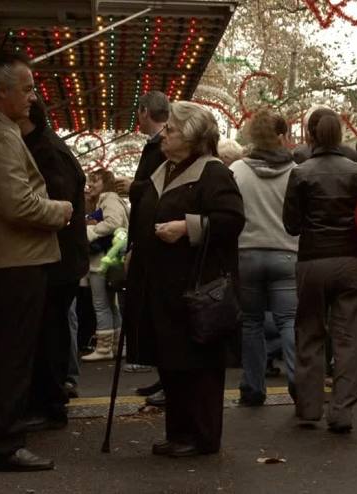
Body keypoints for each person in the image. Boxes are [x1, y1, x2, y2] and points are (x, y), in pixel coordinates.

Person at [0, 54, 73, 471]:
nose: (33, 97)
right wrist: (60, 210)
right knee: (12, 356)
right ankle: (3, 444)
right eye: (26, 89)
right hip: (15, 259)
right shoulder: (0, 136)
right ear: (2, 91)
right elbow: (18, 203)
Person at [123, 101, 245, 457]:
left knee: (199, 366)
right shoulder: (164, 169)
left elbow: (231, 220)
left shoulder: (213, 172)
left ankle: (202, 437)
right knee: (172, 361)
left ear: (192, 136)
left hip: (195, 286)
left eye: (172, 130)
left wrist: (186, 227)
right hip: (162, 285)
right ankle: (179, 433)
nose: (164, 134)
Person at [283, 108, 357, 433]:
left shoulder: (301, 173)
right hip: (353, 260)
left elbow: (292, 225)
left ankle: (309, 407)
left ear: (310, 134)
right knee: (349, 336)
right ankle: (342, 410)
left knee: (309, 331)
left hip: (313, 260)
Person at [18, 100, 89, 430]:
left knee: (49, 331)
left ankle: (50, 405)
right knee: (51, 329)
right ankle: (49, 400)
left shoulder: (46, 151)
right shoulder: (45, 146)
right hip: (60, 257)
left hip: (57, 258)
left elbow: (59, 204)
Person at [229, 110, 298, 406]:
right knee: (289, 321)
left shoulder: (237, 171)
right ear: (282, 135)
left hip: (247, 253)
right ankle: (299, 383)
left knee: (251, 323)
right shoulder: (295, 171)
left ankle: (253, 388)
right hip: (286, 252)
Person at [126, 90, 170, 403]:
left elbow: (159, 188)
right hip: (150, 238)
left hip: (157, 240)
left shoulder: (162, 147)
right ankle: (164, 375)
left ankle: (169, 380)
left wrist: (134, 187)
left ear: (144, 111)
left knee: (161, 314)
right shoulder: (156, 146)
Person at [81, 169, 129, 361]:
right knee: (111, 304)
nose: (90, 185)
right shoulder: (112, 200)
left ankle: (103, 348)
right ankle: (118, 346)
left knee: (101, 304)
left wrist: (89, 231)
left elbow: (113, 222)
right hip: (111, 258)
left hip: (101, 260)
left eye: (95, 181)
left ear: (106, 183)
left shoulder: (108, 200)